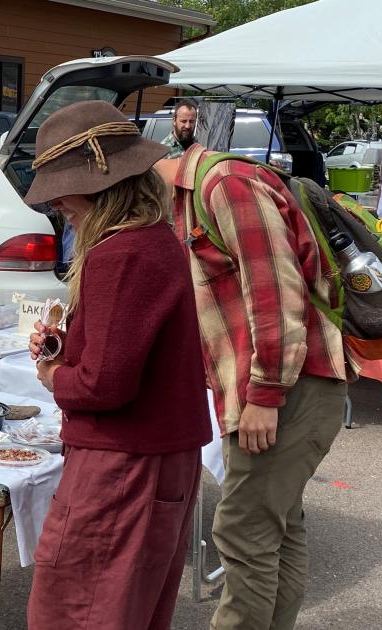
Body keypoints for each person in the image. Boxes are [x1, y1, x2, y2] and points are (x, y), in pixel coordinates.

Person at [23, 100, 212, 630]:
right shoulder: (153, 241)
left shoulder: (121, 253)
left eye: (63, 186)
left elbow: (104, 385)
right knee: (130, 608)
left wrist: (54, 375)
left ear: (100, 183)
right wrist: (67, 345)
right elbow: (126, 349)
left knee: (78, 611)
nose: (58, 202)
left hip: (124, 465)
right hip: (154, 458)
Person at [153, 139, 351, 630]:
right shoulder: (197, 194)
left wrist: (265, 393)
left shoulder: (226, 185)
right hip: (284, 385)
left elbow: (274, 292)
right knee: (276, 528)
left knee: (243, 529)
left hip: (287, 387)